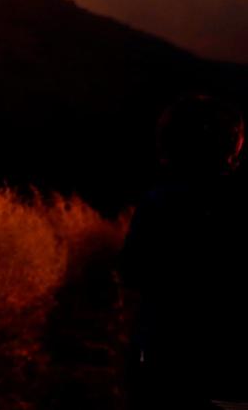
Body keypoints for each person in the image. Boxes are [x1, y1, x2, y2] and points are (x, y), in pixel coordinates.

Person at [122, 95, 247, 409]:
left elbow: (133, 272)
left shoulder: (160, 203)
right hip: (233, 371)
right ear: (234, 144)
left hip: (168, 365)